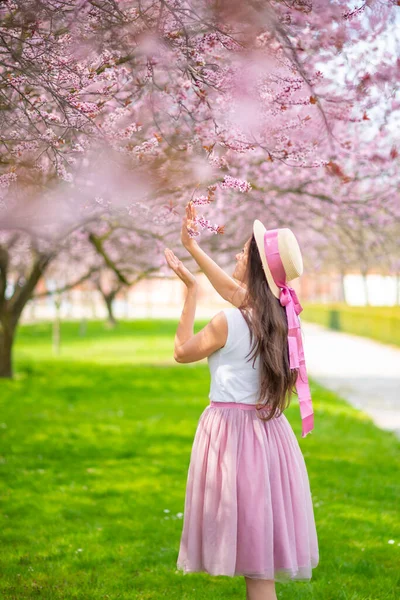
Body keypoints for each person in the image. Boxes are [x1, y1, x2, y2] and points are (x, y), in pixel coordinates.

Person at [164, 203, 319, 600]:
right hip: (269, 437)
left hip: (233, 440)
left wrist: (190, 293)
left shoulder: (227, 321)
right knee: (260, 559)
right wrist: (192, 247)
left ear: (254, 269)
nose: (236, 255)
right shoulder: (280, 319)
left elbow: (181, 351)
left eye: (243, 253)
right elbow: (233, 291)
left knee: (254, 565)